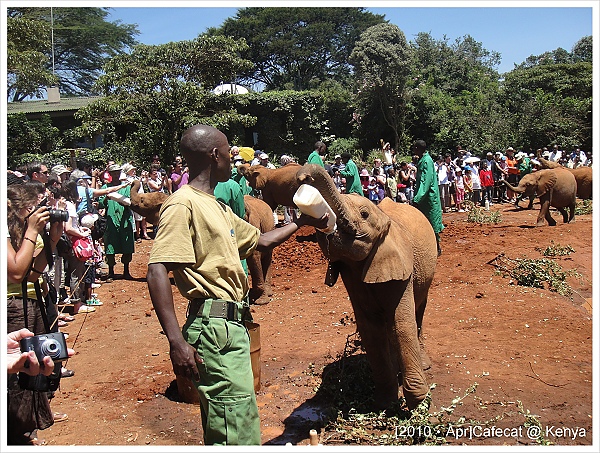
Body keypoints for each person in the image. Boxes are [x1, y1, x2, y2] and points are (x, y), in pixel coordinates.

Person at [146, 124, 329, 445]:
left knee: (238, 419)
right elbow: (157, 268)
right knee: (235, 428)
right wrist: (176, 342)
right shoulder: (181, 204)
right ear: (214, 155)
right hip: (212, 327)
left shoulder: (215, 205)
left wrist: (301, 222)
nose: (234, 159)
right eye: (229, 152)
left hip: (233, 324)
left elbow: (259, 241)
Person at [7, 183, 65, 445]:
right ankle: (17, 432)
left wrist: (52, 239)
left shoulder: (28, 230)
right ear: (22, 208)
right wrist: (32, 230)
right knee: (19, 371)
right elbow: (16, 273)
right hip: (12, 305)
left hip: (32, 300)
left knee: (40, 364)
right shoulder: (9, 231)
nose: (42, 210)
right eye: (36, 205)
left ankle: (33, 421)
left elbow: (32, 273)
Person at [98, 164, 135, 282]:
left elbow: (132, 201)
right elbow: (101, 203)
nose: (115, 175)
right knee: (110, 246)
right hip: (111, 218)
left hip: (125, 218)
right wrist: (105, 199)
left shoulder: (126, 187)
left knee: (127, 244)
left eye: (117, 172)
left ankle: (126, 270)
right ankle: (111, 272)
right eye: (113, 173)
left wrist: (126, 202)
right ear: (110, 174)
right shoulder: (105, 187)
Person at [411, 140, 444, 256]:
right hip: (424, 198)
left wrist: (417, 199)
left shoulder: (426, 161)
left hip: (428, 198)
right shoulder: (423, 160)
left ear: (417, 148)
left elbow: (426, 182)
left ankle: (436, 248)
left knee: (431, 222)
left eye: (414, 148)